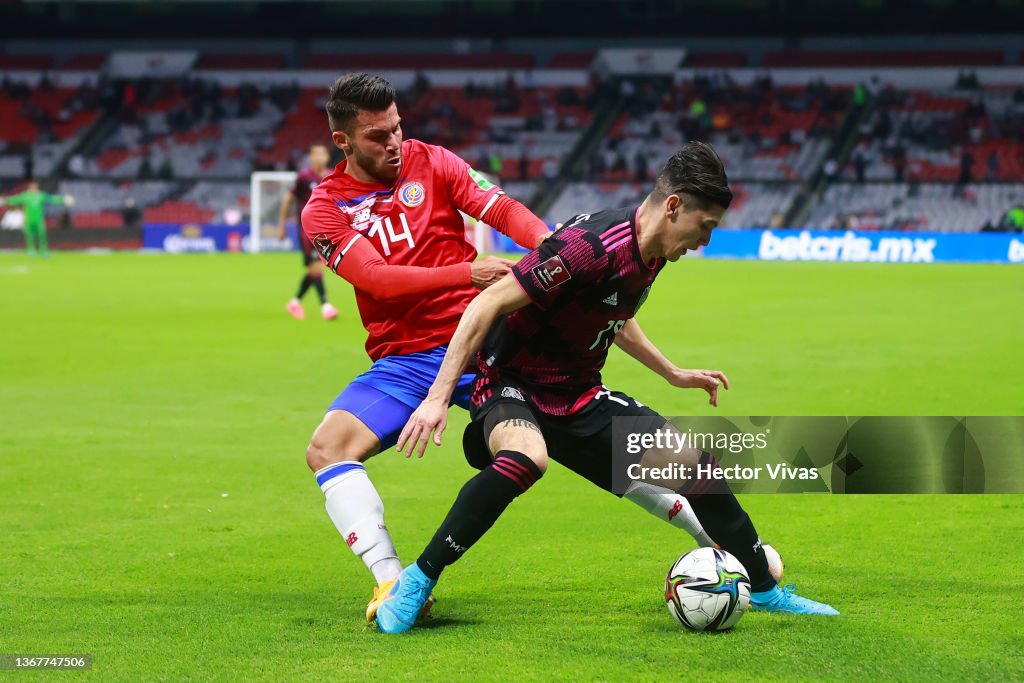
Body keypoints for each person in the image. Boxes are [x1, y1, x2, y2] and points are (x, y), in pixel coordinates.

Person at [377, 142, 839, 634]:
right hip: (512, 386)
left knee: (697, 466)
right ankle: (416, 581)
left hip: (578, 396)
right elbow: (487, 303)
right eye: (705, 226)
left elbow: (614, 316)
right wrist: (436, 398)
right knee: (525, 459)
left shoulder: (654, 253)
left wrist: (672, 372)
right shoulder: (586, 246)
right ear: (674, 206)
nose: (704, 241)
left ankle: (765, 591)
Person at [299, 73, 551, 621]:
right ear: (342, 142)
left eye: (396, 128)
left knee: (577, 430)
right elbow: (378, 280)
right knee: (327, 448)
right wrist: (469, 268)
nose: (393, 143)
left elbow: (503, 209)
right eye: (377, 136)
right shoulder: (324, 211)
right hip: (404, 362)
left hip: (477, 341)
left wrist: (555, 249)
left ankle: (725, 541)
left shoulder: (433, 160)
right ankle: (392, 582)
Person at [278, 142, 338, 321]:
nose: (319, 157)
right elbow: (288, 199)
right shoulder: (303, 177)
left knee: (315, 269)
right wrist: (281, 225)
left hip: (325, 229)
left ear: (327, 157)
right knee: (316, 266)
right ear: (310, 157)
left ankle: (295, 302)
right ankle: (326, 306)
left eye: (323, 154)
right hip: (306, 229)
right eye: (316, 154)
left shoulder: (331, 176)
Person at [0, 180, 73, 258]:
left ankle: (44, 251)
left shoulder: (41, 195)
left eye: (35, 186)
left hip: (38, 220)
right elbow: (15, 199)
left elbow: (51, 199)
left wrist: (63, 200)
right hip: (28, 220)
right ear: (29, 187)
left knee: (42, 236)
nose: (33, 188)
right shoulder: (25, 196)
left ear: (37, 187)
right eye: (32, 186)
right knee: (29, 236)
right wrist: (5, 201)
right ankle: (31, 251)